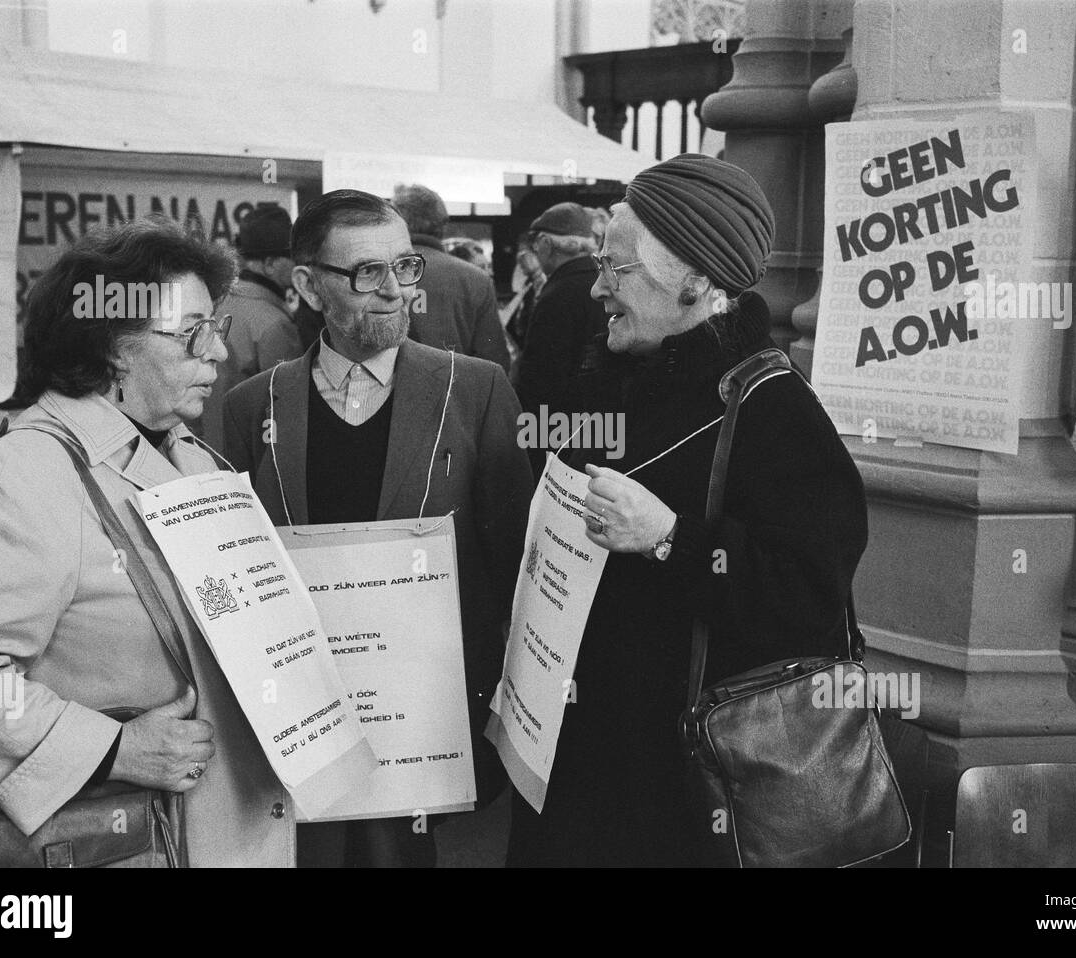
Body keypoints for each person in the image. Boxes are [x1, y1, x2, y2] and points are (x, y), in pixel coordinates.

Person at [505, 154, 869, 867]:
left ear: (697, 281)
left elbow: (808, 593)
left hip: (679, 793)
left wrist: (669, 537)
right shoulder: (616, 375)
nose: (599, 289)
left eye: (620, 270)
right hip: (581, 758)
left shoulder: (774, 406)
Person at [0, 219, 295, 867]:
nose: (218, 356)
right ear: (115, 347)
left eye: (217, 330)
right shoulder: (18, 480)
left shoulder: (193, 458)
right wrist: (111, 749)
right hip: (123, 840)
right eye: (192, 335)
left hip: (217, 822)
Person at [223, 189, 533, 868]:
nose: (396, 292)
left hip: (435, 730)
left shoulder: (476, 392)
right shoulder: (253, 409)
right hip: (306, 729)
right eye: (367, 273)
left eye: (406, 267)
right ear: (306, 284)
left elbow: (518, 564)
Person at [509, 202, 606, 470]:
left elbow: (540, 382)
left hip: (559, 435)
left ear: (544, 242)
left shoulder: (557, 294)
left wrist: (530, 447)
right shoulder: (603, 280)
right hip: (601, 430)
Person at [198, 204, 303, 450]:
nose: (299, 264)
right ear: (269, 264)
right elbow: (286, 412)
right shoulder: (274, 325)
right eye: (291, 256)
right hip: (250, 463)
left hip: (205, 455)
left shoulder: (214, 307)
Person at [392, 183, 510, 371]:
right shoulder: (476, 279)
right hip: (456, 395)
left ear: (396, 222)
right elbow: (494, 360)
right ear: (443, 224)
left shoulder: (379, 274)